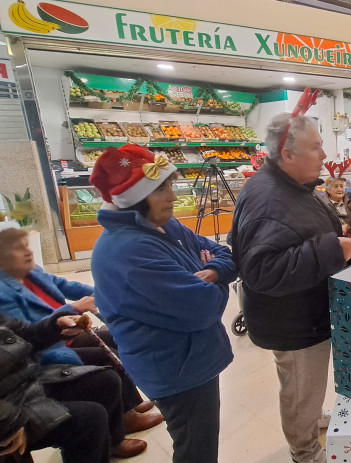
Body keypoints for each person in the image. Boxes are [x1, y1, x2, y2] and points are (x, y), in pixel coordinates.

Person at [230, 90, 351, 463]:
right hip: (292, 320)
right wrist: (331, 249)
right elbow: (261, 270)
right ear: (287, 155)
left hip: (303, 308)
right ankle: (304, 451)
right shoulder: (271, 200)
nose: (324, 155)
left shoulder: (284, 185)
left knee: (307, 385)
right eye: (316, 147)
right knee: (301, 386)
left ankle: (310, 420)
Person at [89, 144, 237, 463]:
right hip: (177, 370)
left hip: (191, 357)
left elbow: (224, 252)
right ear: (134, 199)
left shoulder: (164, 225)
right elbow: (203, 308)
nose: (172, 196)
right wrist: (218, 284)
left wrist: (212, 271)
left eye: (170, 184)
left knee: (201, 440)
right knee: (196, 449)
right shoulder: (128, 253)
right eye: (160, 188)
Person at [0, 223, 162, 435]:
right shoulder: (3, 292)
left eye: (26, 245)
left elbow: (67, 285)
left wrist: (104, 293)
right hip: (46, 349)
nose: (28, 252)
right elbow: (27, 334)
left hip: (67, 332)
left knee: (115, 337)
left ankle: (130, 402)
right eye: (18, 249)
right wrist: (71, 309)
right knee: (106, 357)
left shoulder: (31, 271)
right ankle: (122, 422)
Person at [0, 309, 146, 462]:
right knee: (90, 418)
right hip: (8, 413)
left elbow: (24, 335)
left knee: (106, 380)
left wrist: (55, 326)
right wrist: (10, 424)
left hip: (24, 385)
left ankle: (112, 444)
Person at [318, 160, 351, 234]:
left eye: (341, 186)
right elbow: (321, 228)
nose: (340, 189)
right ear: (328, 190)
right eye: (335, 186)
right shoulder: (322, 205)